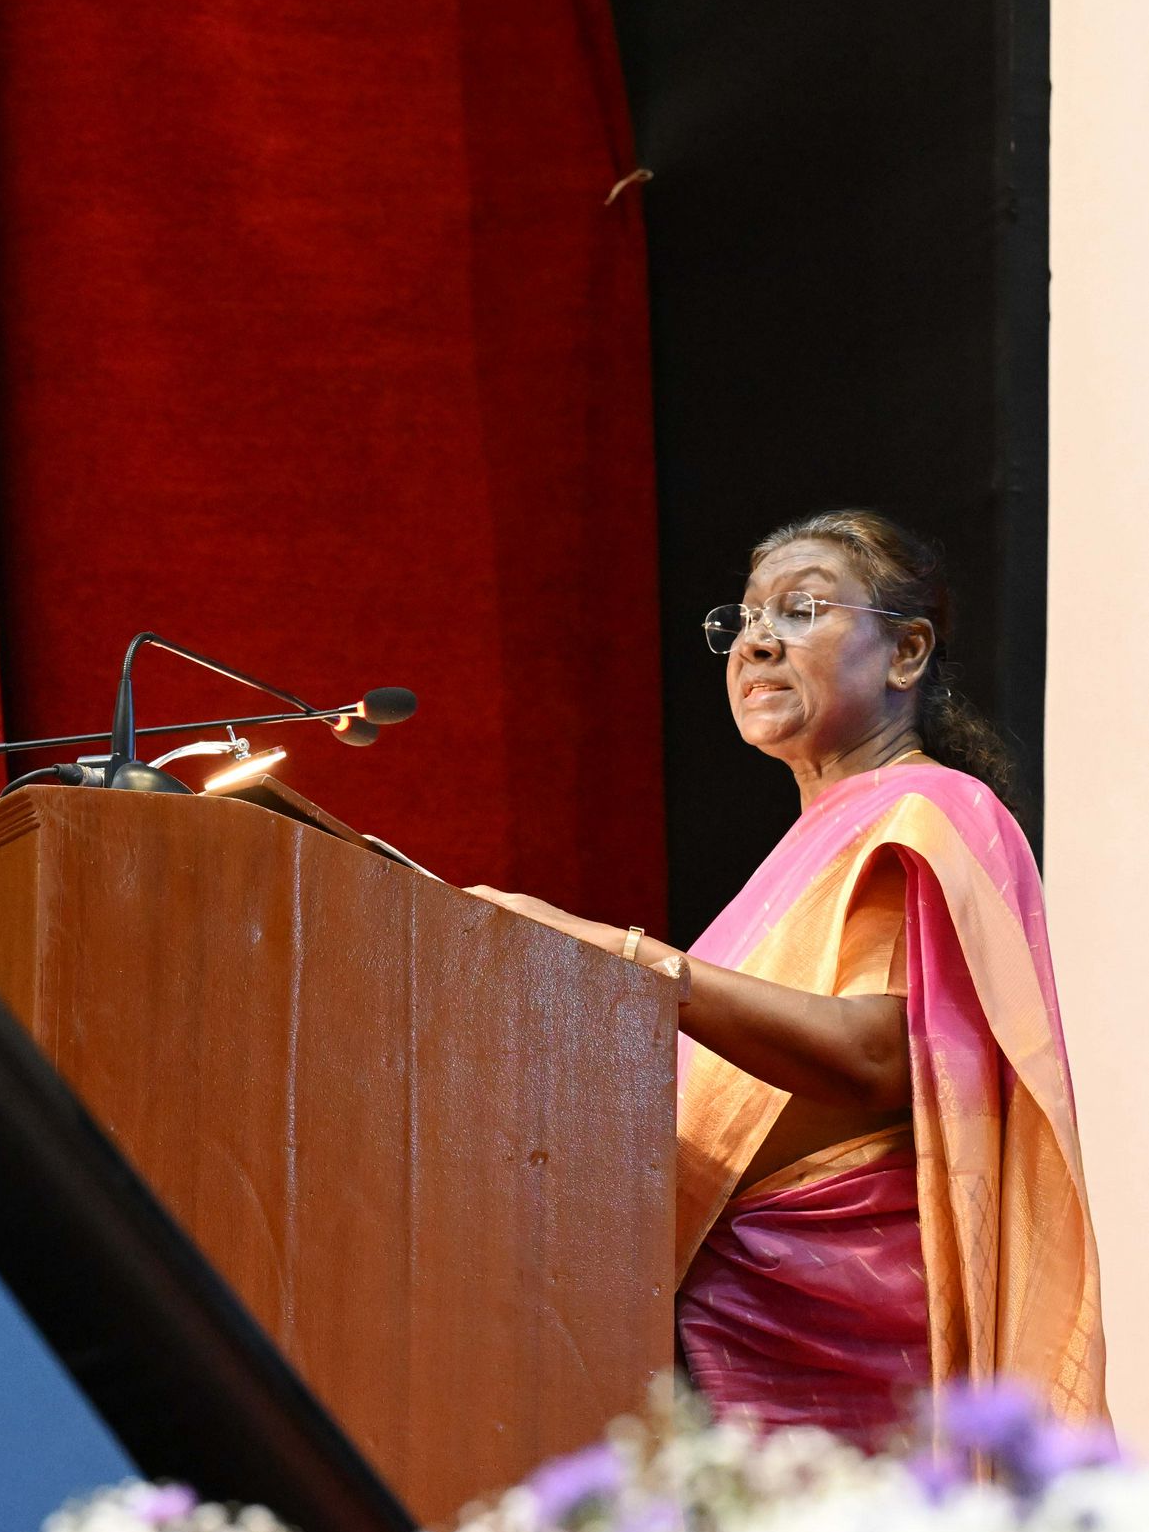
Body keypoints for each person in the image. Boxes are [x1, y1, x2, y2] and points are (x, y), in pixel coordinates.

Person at [469, 509, 1103, 1440]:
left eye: (799, 610)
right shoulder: (805, 843)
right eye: (742, 618)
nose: (755, 642)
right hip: (725, 1316)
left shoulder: (927, 807)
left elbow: (874, 1057)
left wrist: (622, 954)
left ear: (905, 652)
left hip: (840, 1339)